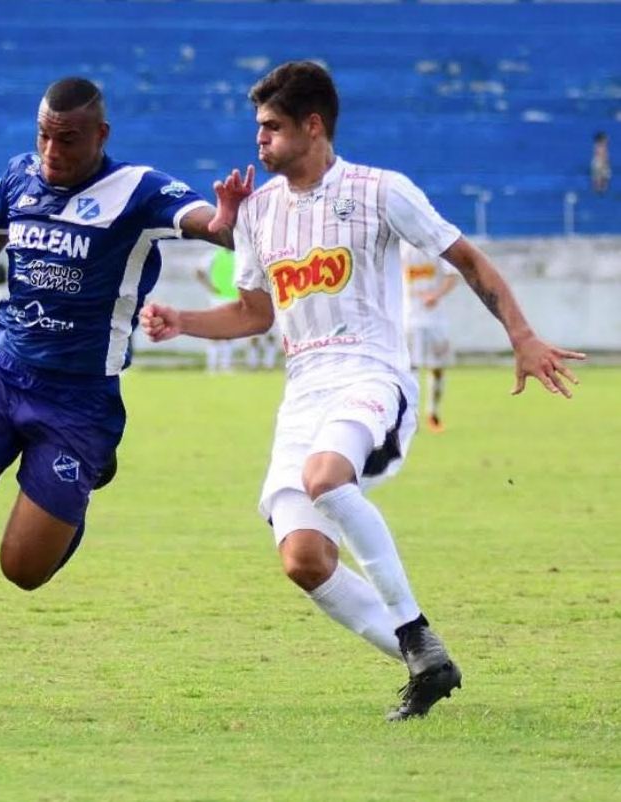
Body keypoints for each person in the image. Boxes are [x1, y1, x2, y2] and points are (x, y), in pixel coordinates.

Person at [141, 61, 585, 721]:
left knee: (325, 477)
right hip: (303, 395)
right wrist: (182, 321)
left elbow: (466, 258)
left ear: (312, 125)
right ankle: (427, 663)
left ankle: (414, 631)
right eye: (258, 128)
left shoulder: (381, 191)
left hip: (370, 374)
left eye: (271, 127)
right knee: (303, 559)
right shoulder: (259, 212)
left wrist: (521, 334)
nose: (258, 142)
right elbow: (254, 314)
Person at [0, 76, 248, 708]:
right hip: (4, 369)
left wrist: (226, 219)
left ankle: (84, 477)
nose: (51, 151)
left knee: (23, 570)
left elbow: (206, 222)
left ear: (100, 136)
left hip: (80, 399)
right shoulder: (20, 178)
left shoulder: (137, 190)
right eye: (43, 135)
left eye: (65, 139)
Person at [401, 240, 459, 432]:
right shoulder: (400, 246)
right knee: (411, 368)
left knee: (437, 368)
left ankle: (433, 412)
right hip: (409, 318)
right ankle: (412, 415)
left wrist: (436, 294)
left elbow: (452, 276)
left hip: (436, 320)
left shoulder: (435, 244)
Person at [194, 247, 237, 373]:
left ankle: (226, 365)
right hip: (217, 298)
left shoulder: (239, 255)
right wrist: (210, 287)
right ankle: (212, 365)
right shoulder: (214, 254)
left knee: (229, 333)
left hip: (234, 297)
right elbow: (198, 271)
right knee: (214, 331)